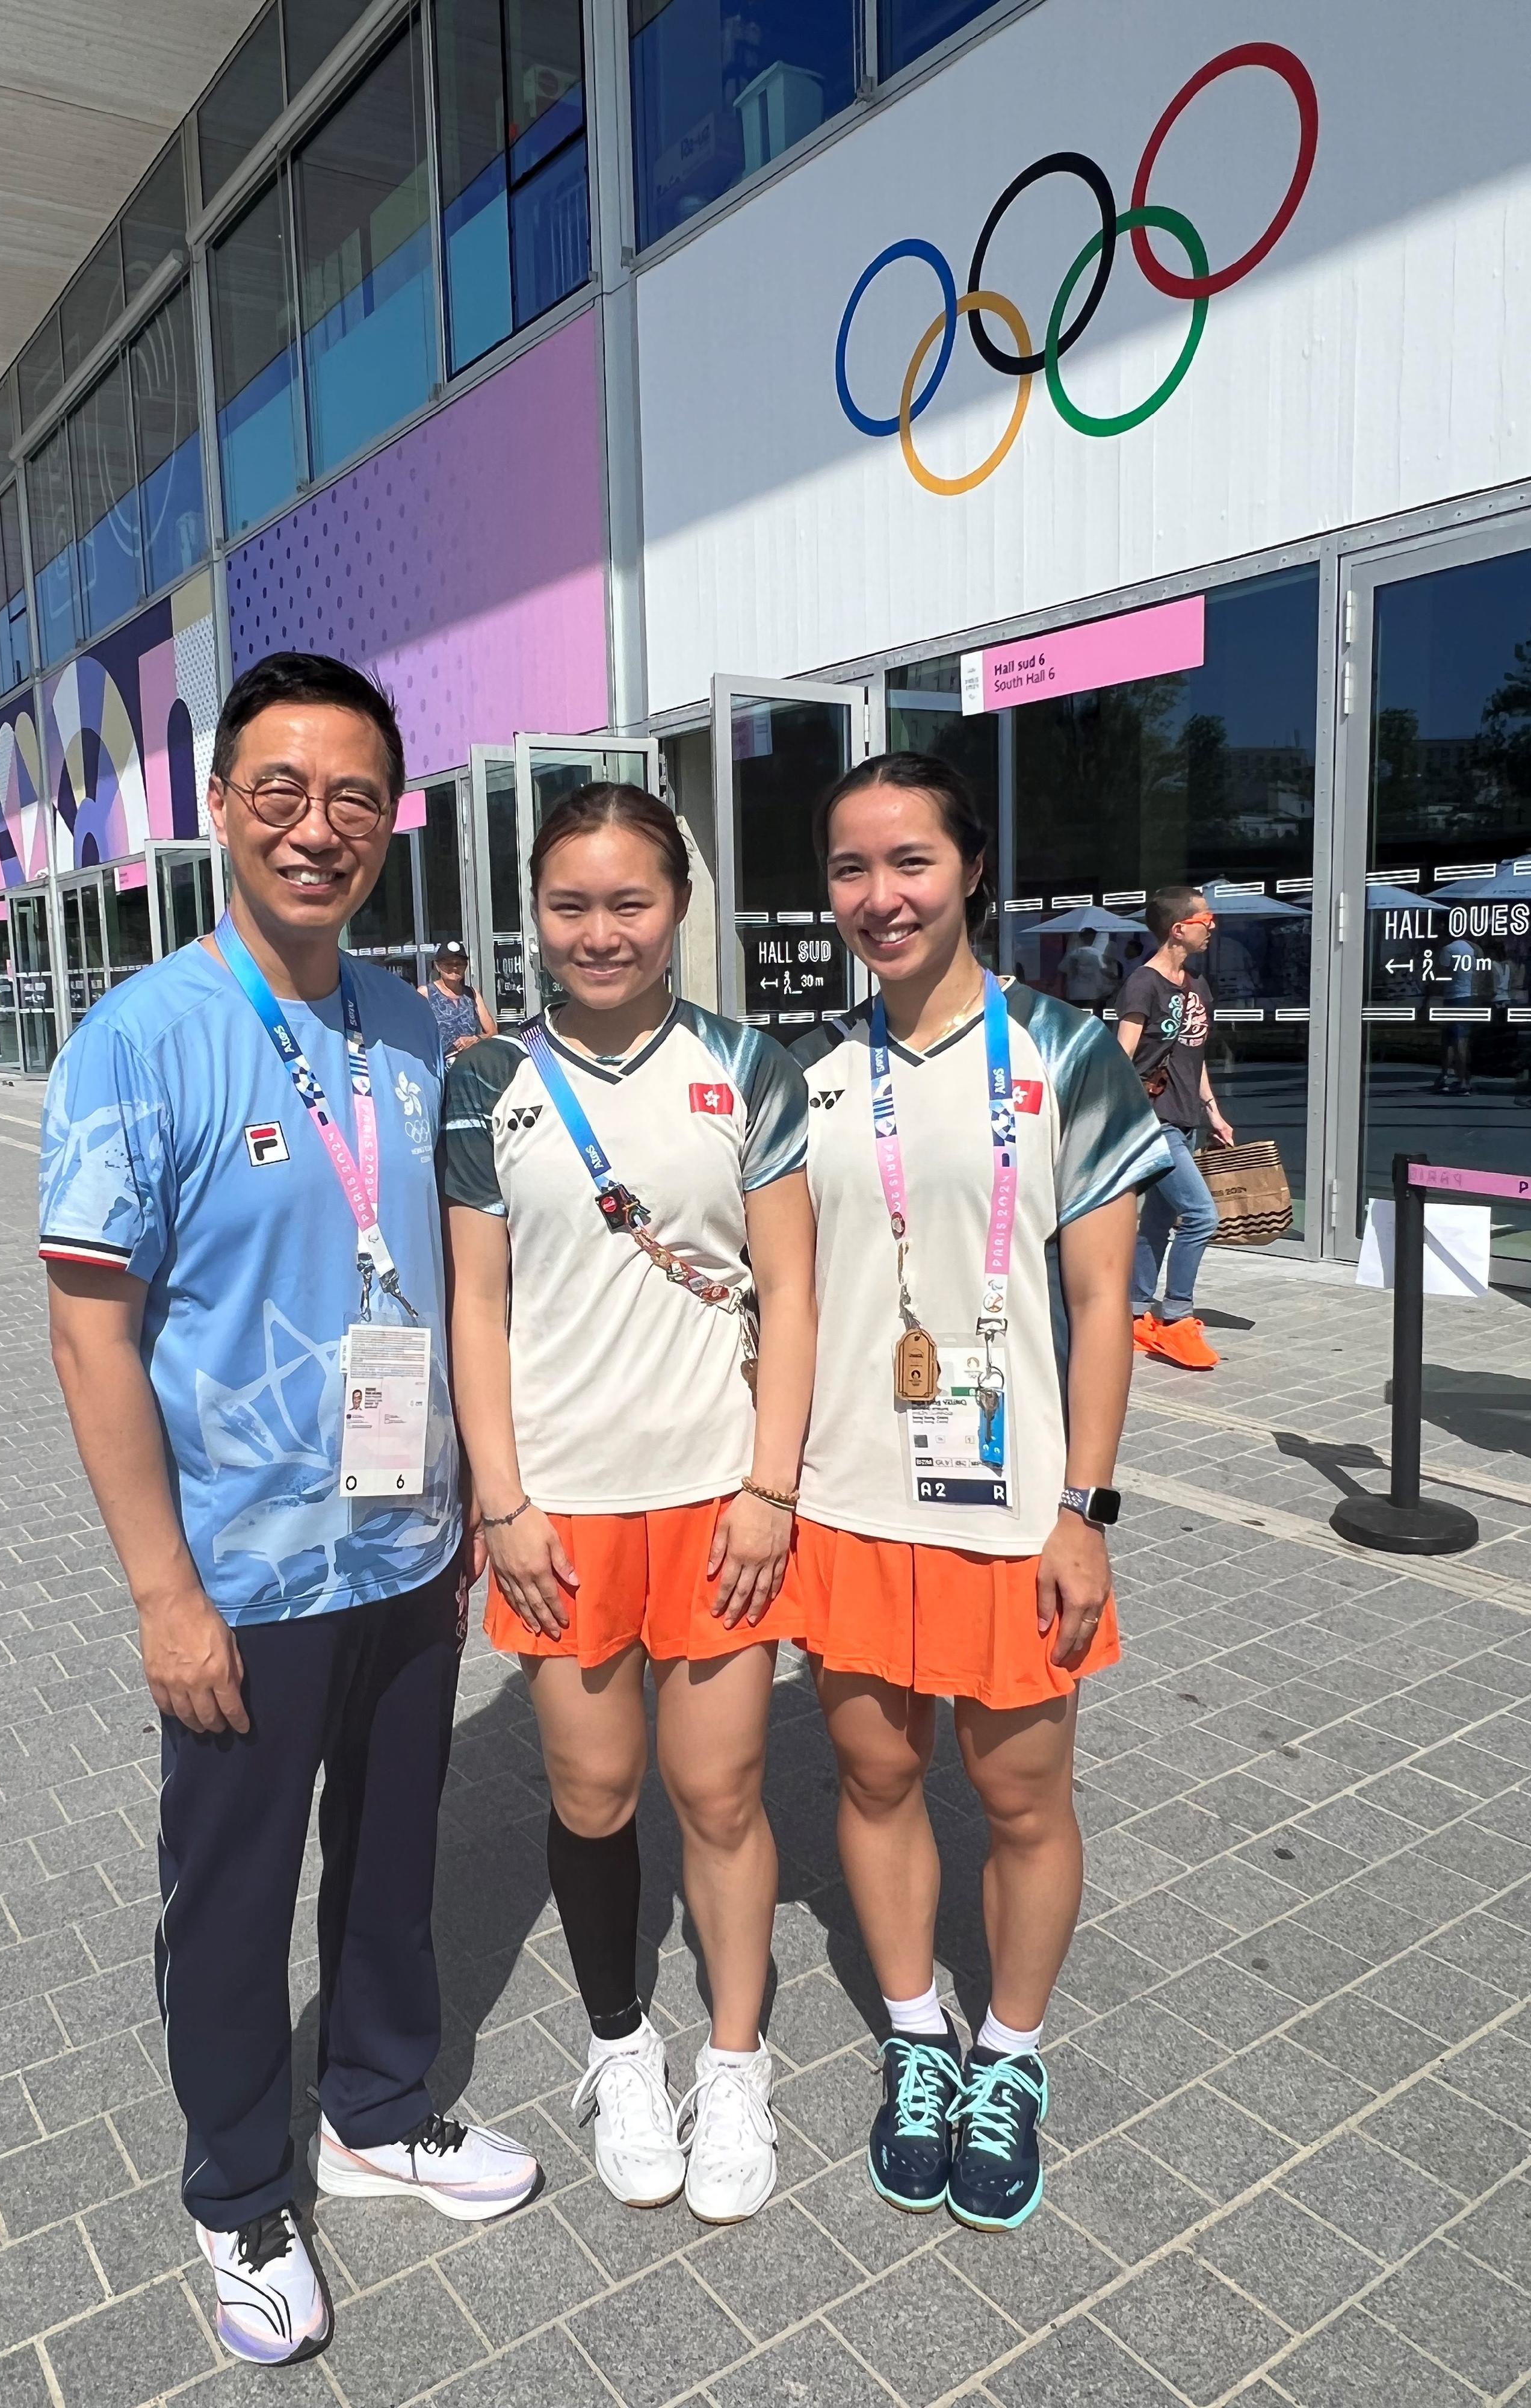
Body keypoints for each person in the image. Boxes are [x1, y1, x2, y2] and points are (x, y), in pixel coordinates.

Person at [39, 653, 537, 2372]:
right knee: (233, 1909)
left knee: (393, 1873)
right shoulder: (140, 1039)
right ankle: (241, 2188)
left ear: (388, 821)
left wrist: (475, 1498)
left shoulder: (420, 1032)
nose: (316, 829)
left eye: (351, 800)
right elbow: (89, 1330)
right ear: (221, 810)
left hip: (404, 1549)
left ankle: (381, 2113)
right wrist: (161, 1593)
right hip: (240, 1580)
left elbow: (460, 1289)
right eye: (280, 794)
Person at [790, 753, 1165, 2234]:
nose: (877, 896)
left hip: (1012, 1510)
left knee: (1021, 1794)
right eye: (847, 868)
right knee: (875, 1778)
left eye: (908, 862)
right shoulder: (805, 1074)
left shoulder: (1066, 1051)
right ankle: (916, 2037)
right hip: (851, 1496)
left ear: (968, 872)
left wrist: (1085, 1506)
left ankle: (1009, 2050)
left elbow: (1101, 1301)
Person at [442, 784, 817, 2225]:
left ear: (677, 908)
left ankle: (733, 2061)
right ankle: (617, 2044)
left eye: (629, 902)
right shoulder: (487, 1082)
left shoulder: (746, 1065)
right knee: (594, 1793)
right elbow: (479, 1310)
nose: (598, 932)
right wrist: (504, 1498)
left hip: (719, 1499)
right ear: (536, 913)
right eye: (569, 905)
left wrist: (771, 1485)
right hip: (563, 1510)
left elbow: (789, 1290)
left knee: (717, 1792)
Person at [1115, 886, 1234, 1370]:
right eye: (1208, 920)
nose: (1213, 928)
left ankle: (1134, 1314)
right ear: (1179, 928)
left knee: (1159, 1223)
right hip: (1153, 1121)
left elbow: (1193, 1056)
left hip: (1185, 1118)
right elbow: (1122, 1057)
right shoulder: (1143, 984)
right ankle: (1176, 1319)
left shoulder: (1196, 985)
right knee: (1202, 1215)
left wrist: (1213, 1112)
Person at [420, 938, 496, 1063]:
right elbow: (416, 1035)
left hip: (470, 1064)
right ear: (438, 966)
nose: (455, 968)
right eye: (448, 964)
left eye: (459, 964)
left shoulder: (472, 994)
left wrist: (475, 1039)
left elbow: (493, 1033)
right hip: (438, 1066)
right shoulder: (425, 993)